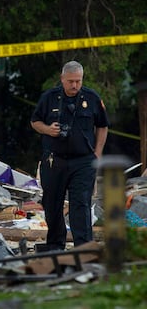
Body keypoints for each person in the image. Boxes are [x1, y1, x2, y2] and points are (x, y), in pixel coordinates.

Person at [31, 60, 110, 250]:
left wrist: (97, 153)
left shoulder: (91, 98)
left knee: (81, 204)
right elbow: (35, 122)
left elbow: (103, 125)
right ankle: (56, 245)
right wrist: (48, 130)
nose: (74, 85)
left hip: (83, 161)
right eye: (71, 81)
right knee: (52, 204)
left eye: (78, 81)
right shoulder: (50, 97)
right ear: (62, 79)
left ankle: (83, 247)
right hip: (54, 159)